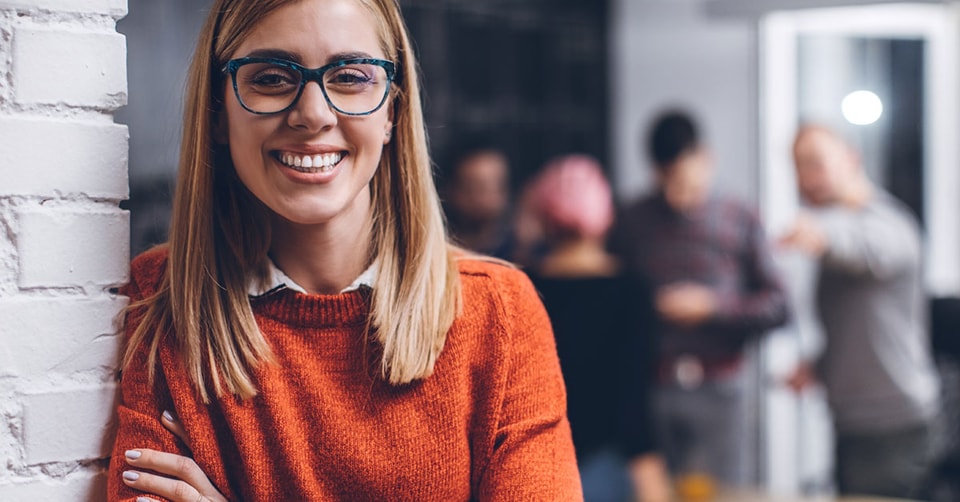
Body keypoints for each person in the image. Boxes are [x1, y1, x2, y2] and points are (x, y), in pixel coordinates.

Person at [107, 0, 581, 500]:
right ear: (219, 112)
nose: (312, 114)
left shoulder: (499, 313)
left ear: (392, 113)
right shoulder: (163, 298)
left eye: (351, 77)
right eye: (270, 78)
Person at [609, 110, 789, 487]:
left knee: (724, 493)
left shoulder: (741, 216)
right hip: (653, 385)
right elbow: (614, 302)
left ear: (707, 158)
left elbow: (779, 305)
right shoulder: (632, 219)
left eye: (688, 183)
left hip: (721, 385)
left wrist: (713, 306)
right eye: (669, 183)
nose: (680, 198)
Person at [781, 124, 941, 498]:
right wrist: (820, 366)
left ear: (852, 158)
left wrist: (822, 235)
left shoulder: (889, 222)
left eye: (814, 163)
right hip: (853, 422)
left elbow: (867, 250)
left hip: (894, 425)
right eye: (798, 167)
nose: (805, 177)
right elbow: (858, 327)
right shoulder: (840, 229)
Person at [523, 155, 671, 502]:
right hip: (606, 465)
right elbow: (635, 397)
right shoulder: (631, 290)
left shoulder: (521, 286)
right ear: (604, 216)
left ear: (545, 215)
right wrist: (651, 478)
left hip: (534, 461)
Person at [441, 138, 514, 259]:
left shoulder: (522, 255)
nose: (486, 199)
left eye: (496, 188)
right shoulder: (438, 255)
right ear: (449, 190)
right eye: (474, 188)